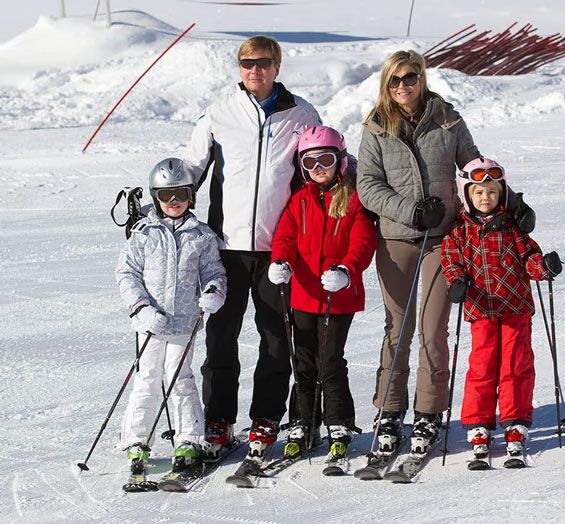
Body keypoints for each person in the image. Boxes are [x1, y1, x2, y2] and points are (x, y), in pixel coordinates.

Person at [356, 50, 535, 457]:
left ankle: (429, 410)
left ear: (422, 78)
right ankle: (390, 409)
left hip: (444, 239)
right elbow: (367, 185)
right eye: (395, 79)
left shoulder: (447, 118)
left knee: (432, 326)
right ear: (386, 83)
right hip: (397, 236)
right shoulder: (376, 127)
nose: (403, 85)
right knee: (397, 326)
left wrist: (509, 201)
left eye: (410, 77)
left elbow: (474, 166)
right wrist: (411, 211)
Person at [181, 35, 321, 458]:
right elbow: (192, 165)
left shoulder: (301, 114)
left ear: (277, 66)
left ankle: (266, 418)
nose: (254, 70)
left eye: (262, 62)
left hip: (279, 250)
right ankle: (219, 420)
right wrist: (164, 194)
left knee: (276, 338)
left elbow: (323, 162)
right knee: (221, 338)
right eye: (246, 63)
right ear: (238, 68)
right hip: (224, 247)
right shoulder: (219, 112)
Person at [440, 157, 563, 463]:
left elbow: (529, 258)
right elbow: (451, 260)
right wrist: (457, 282)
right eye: (479, 192)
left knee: (516, 365)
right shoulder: (459, 230)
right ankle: (478, 424)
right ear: (467, 194)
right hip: (481, 309)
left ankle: (515, 422)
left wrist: (544, 267)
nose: (486, 198)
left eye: (492, 192)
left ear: (502, 193)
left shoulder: (513, 226)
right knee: (481, 367)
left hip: (515, 308)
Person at [268, 125, 377, 461]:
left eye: (325, 160)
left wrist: (347, 270)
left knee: (329, 361)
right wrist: (280, 261)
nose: (318, 169)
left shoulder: (353, 199)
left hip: (337, 295)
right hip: (302, 292)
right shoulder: (299, 201)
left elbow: (363, 242)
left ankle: (338, 421)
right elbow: (285, 237)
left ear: (340, 161)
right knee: (303, 361)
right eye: (310, 163)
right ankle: (302, 420)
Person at [115, 158, 227, 474]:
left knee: (180, 378)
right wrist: (142, 309)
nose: (174, 201)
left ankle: (189, 440)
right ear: (155, 198)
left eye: (180, 194)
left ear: (191, 195)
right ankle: (136, 441)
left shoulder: (201, 235)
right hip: (150, 322)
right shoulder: (144, 232)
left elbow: (213, 271)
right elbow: (127, 273)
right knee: (148, 378)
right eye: (166, 196)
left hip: (184, 321)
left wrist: (214, 291)